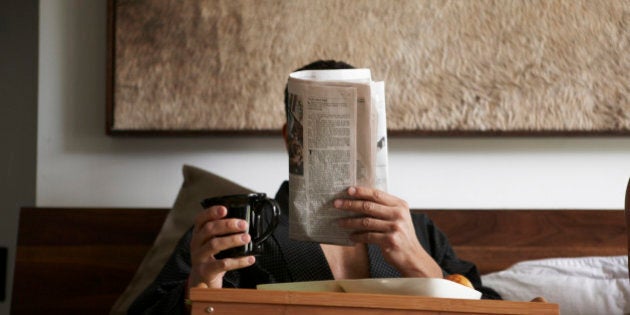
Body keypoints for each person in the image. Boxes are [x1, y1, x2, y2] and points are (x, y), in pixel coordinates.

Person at [128, 60, 501, 314]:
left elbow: (498, 308)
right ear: (291, 137)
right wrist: (202, 283)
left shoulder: (419, 232)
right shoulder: (237, 229)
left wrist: (424, 269)